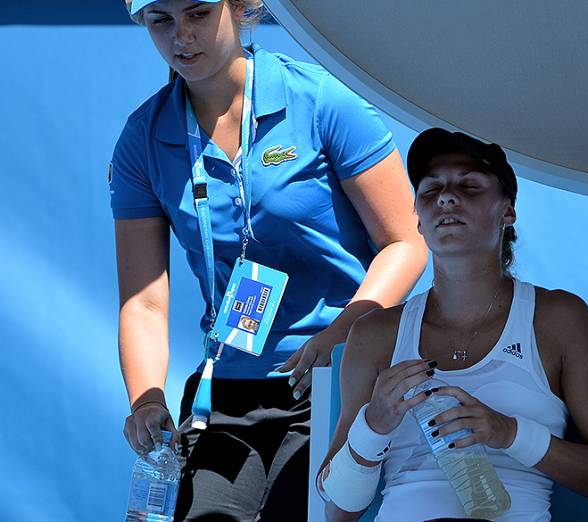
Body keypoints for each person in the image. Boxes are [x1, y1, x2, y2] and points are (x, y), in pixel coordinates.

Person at [111, 0, 428, 519]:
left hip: (338, 378)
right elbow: (143, 302)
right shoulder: (142, 138)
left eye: (198, 13)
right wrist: (146, 401)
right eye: (160, 19)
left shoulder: (323, 100)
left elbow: (406, 242)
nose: (181, 36)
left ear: (238, 8)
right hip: (226, 385)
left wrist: (342, 333)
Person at [317, 128, 588, 521]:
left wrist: (508, 432)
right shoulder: (374, 333)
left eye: (469, 186)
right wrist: (373, 425)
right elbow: (338, 511)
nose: (447, 197)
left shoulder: (559, 319)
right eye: (431, 190)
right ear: (418, 219)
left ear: (507, 210)